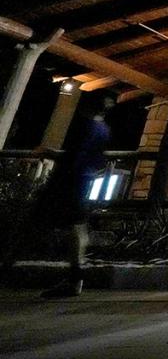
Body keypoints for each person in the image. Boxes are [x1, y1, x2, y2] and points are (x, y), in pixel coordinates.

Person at [41, 96, 116, 298]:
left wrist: (55, 156)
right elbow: (95, 158)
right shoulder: (104, 129)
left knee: (70, 227)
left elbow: (76, 155)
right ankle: (75, 277)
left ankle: (74, 277)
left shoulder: (88, 128)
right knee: (77, 226)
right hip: (83, 180)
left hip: (71, 180)